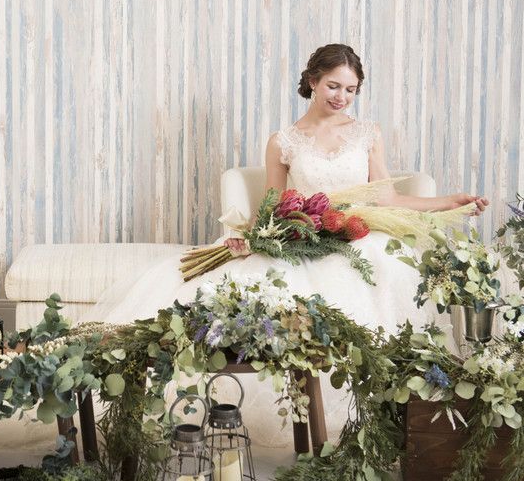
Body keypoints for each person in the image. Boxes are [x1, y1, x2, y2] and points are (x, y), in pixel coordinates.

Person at [87, 43, 488, 444]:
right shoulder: (283, 141)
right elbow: (274, 205)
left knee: (383, 275)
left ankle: (385, 414)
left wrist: (449, 202)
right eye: (333, 86)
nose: (341, 97)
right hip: (305, 237)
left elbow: (387, 198)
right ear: (313, 81)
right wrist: (256, 234)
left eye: (351, 90)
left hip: (356, 237)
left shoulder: (367, 134)